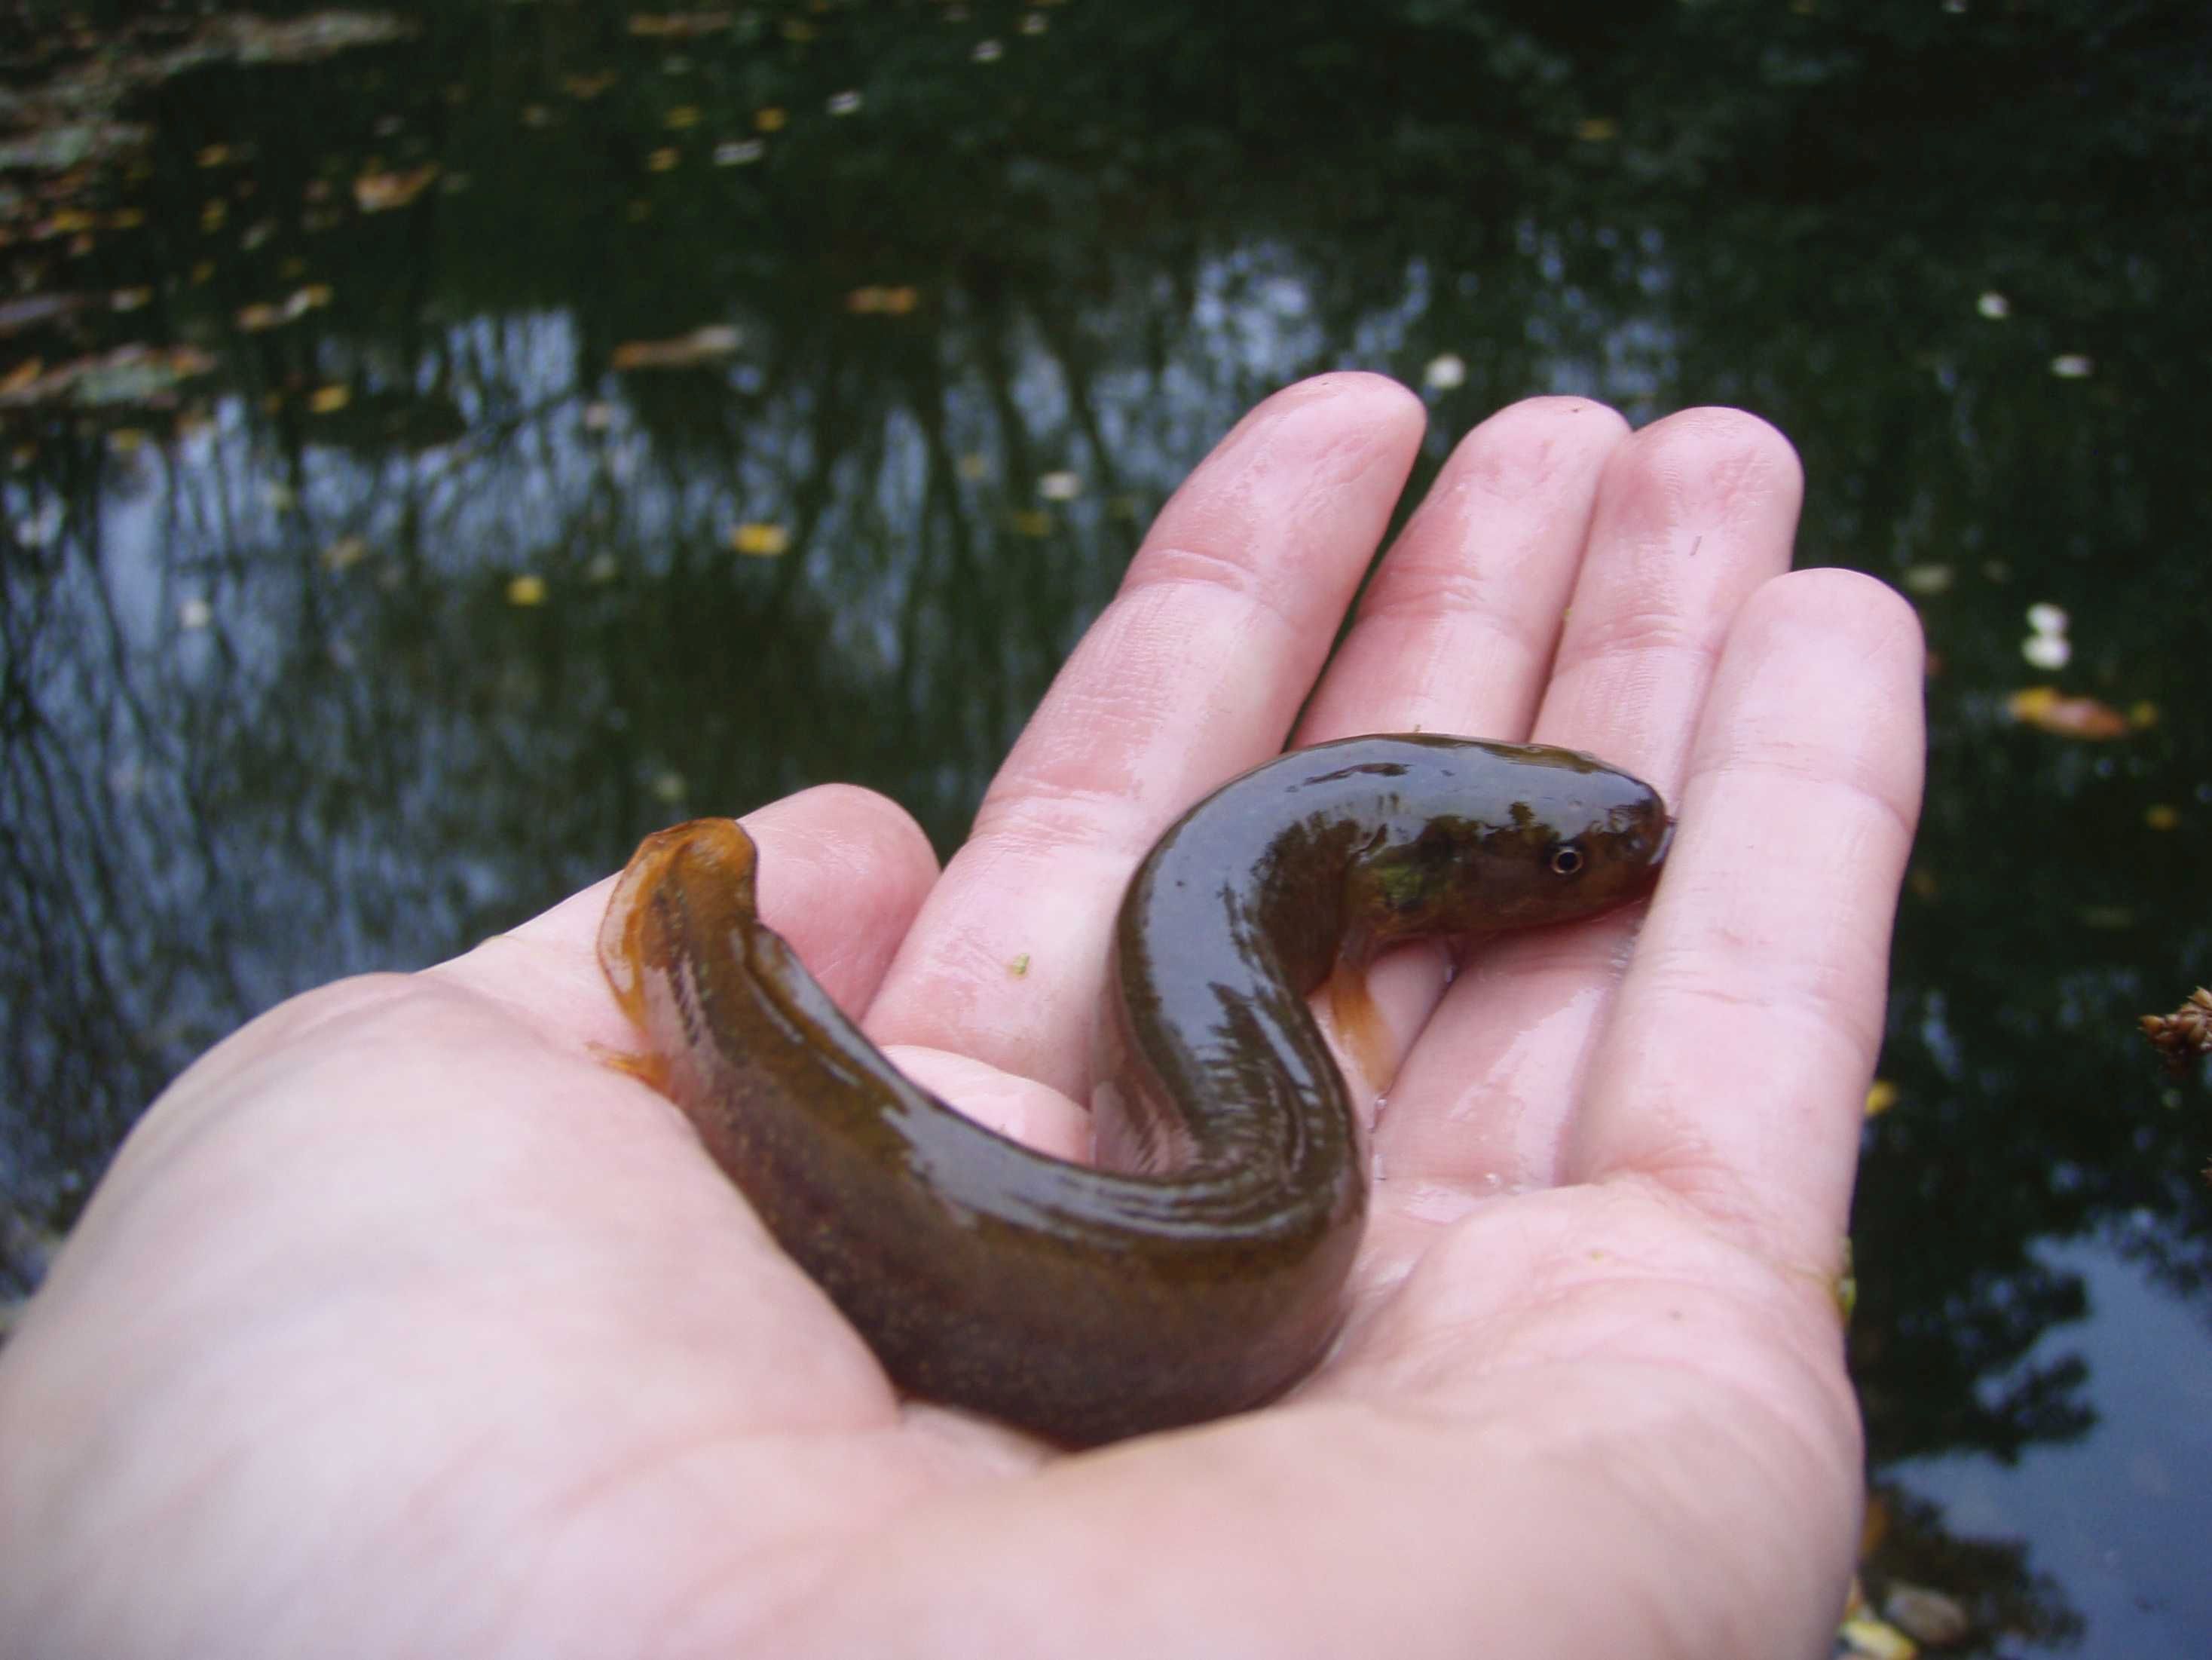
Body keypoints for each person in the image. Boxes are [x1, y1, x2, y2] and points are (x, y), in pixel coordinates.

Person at [0, 376, 1923, 1658]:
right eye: (1567, 861)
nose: (1606, 866)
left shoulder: (1299, 885)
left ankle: (706, 974)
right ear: (1406, 885)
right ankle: (703, 972)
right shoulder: (1291, 899)